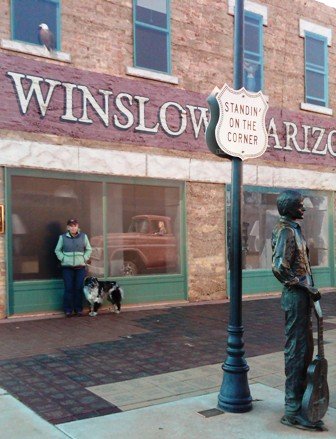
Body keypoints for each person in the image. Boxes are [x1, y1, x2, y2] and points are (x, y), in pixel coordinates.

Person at [271, 190, 322, 430]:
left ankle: (301, 402)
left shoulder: (294, 229)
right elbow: (279, 268)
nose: (304, 209)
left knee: (305, 350)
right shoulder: (286, 231)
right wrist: (305, 287)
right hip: (296, 297)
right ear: (289, 207)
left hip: (303, 297)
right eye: (301, 205)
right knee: (296, 351)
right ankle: (292, 410)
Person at [55, 218, 92, 317]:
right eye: (71, 226)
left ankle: (78, 309)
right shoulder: (62, 237)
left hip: (80, 268)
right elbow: (57, 250)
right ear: (68, 227)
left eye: (75, 225)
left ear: (78, 226)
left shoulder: (84, 236)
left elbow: (89, 249)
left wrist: (84, 258)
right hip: (67, 268)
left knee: (79, 288)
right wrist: (63, 259)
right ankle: (68, 310)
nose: (73, 227)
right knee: (68, 289)